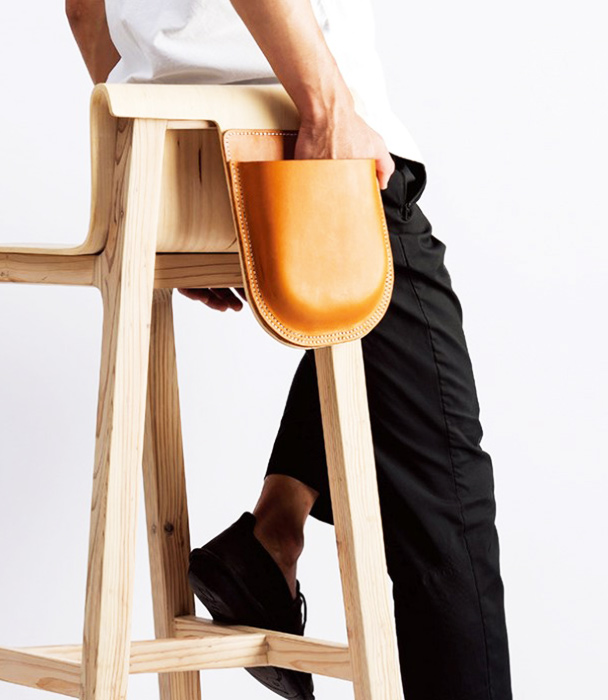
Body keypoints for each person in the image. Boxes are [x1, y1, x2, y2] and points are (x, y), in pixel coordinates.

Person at [64, 2, 512, 699]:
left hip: (182, 153)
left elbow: (83, 11)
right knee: (447, 502)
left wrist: (149, 174)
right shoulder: (316, 117)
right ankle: (272, 536)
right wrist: (327, 105)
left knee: (363, 340)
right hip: (289, 134)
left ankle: (274, 533)